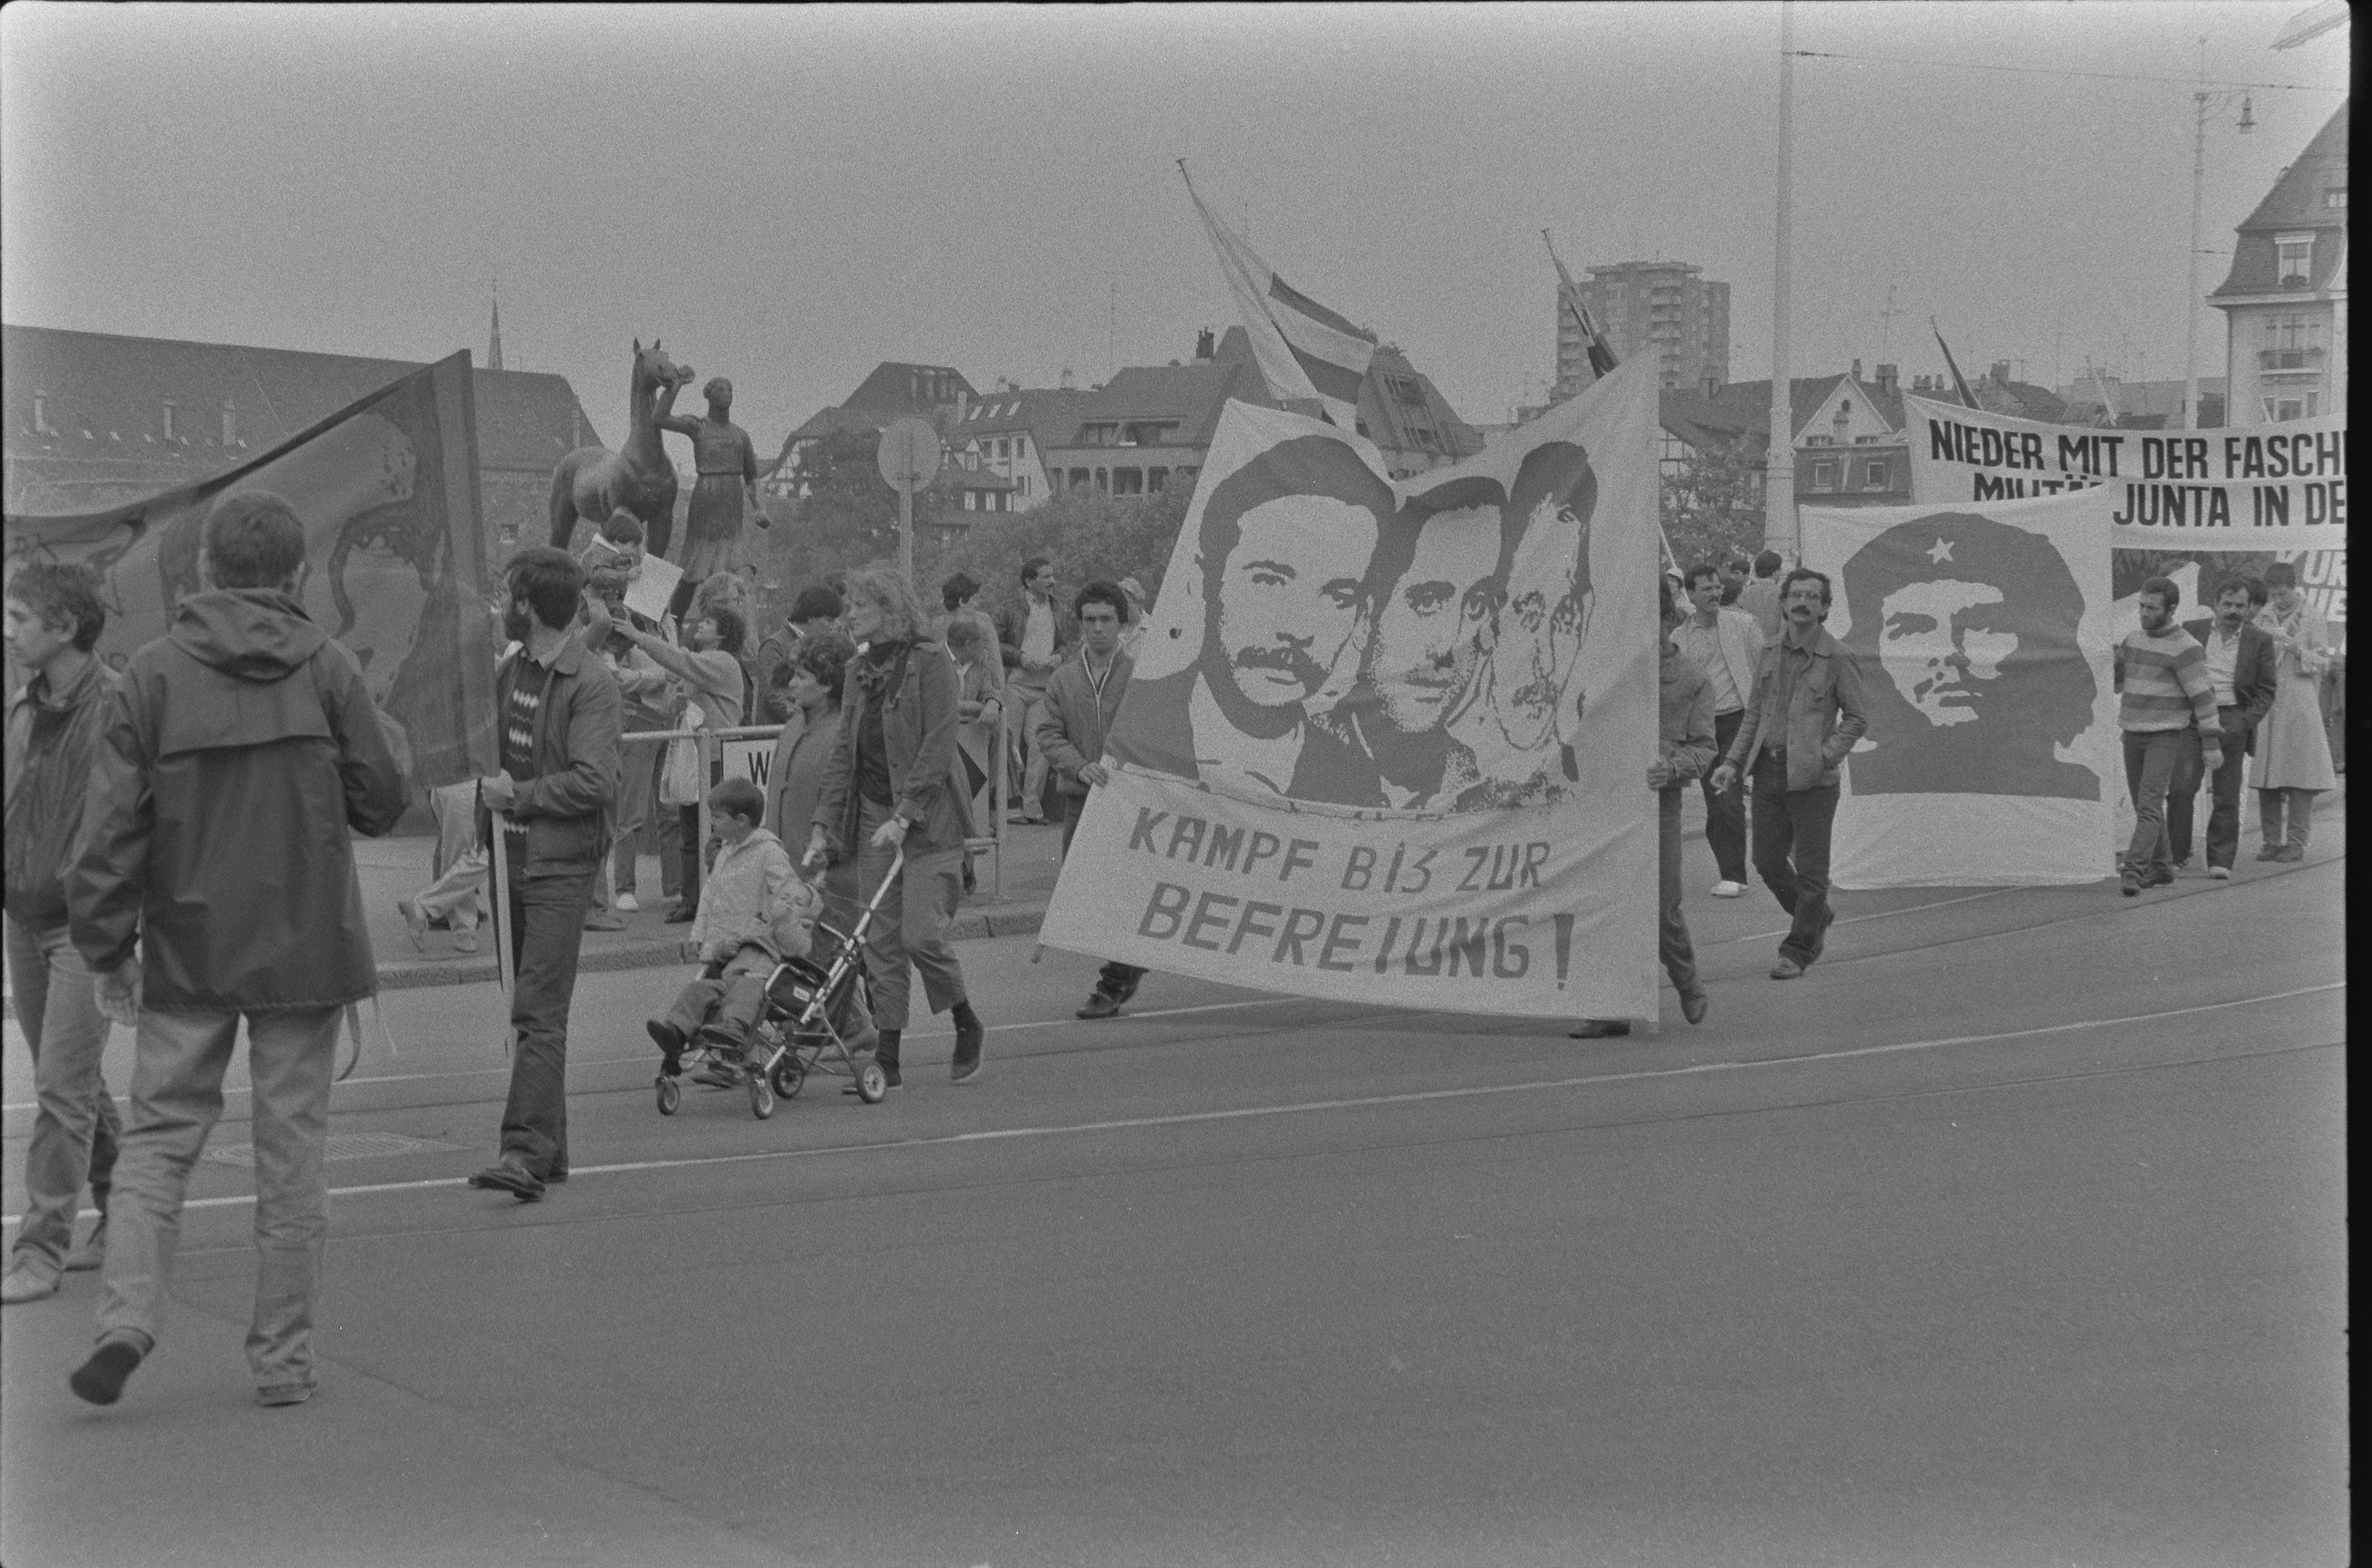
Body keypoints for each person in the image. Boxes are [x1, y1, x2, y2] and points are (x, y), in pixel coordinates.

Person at [62, 490, 407, 1406]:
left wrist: (107, 948)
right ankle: (283, 1361)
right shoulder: (328, 667)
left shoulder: (152, 674)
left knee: (158, 1144)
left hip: (187, 945)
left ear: (204, 569)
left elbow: (108, 834)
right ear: (297, 574)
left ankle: (127, 1319)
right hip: (308, 947)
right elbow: (382, 799)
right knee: (292, 1157)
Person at [1107, 437, 1393, 802]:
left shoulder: (1354, 781)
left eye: (1338, 596)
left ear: (1360, 617)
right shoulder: (1135, 727)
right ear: (1201, 583)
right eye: (1269, 581)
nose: (1298, 631)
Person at [467, 547, 623, 1202]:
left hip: (558, 863)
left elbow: (595, 781)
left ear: (529, 605)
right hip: (510, 858)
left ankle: (524, 1152)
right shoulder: (513, 669)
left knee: (538, 1010)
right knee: (528, 1011)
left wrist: (518, 798)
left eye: (507, 594)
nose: (502, 604)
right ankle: (550, 1153)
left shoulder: (590, 681)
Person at [810, 568, 986, 1086]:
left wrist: (906, 812)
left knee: (920, 936)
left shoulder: (931, 664)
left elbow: (937, 744)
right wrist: (823, 824)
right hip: (872, 817)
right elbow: (845, 750)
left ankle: (965, 1020)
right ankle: (888, 1057)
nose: (849, 616)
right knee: (879, 941)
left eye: (858, 608)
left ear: (889, 611)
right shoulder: (857, 670)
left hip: (930, 820)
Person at [3, 564, 124, 1305]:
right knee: (74, 1083)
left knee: (59, 1089)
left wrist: (122, 926)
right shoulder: (24, 703)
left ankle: (39, 1251)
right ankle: (123, 1210)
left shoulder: (113, 706)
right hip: (25, 915)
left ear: (66, 628)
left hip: (85, 926)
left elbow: (129, 819)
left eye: (19, 617)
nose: (8, 630)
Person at [1837, 511, 2099, 801]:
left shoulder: (2076, 791)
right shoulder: (1853, 785)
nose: (1948, 653)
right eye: (1914, 628)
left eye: (1980, 626)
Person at [1570, 573, 1716, 1037]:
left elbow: (1705, 748)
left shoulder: (1692, 679)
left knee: (1661, 904)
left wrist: (1672, 768)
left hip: (1659, 804)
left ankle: (1686, 979)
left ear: (1669, 619)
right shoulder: (1605, 670)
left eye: (1652, 619)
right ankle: (1610, 1007)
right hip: (1604, 801)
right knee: (1605, 902)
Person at [1708, 568, 1867, 979]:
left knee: (1813, 871)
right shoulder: (1770, 650)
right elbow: (1755, 714)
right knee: (1765, 860)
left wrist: (1824, 756)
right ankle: (1815, 918)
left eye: (1812, 597)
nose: (1802, 603)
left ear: (1825, 607)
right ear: (1782, 603)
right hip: (1767, 772)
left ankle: (1796, 950)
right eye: (1795, 595)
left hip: (1813, 779)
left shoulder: (1839, 657)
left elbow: (1855, 719)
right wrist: (1731, 763)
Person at [645, 777, 816, 1078]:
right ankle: (675, 1031)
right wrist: (700, 935)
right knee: (703, 989)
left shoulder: (768, 852)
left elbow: (790, 891)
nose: (711, 822)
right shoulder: (725, 852)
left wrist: (782, 916)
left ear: (741, 821)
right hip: (728, 951)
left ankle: (733, 1034)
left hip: (761, 950)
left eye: (717, 817)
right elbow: (709, 896)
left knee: (747, 990)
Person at [1036, 582, 1150, 1019]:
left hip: (1127, 804)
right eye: (1089, 620)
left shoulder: (1141, 674)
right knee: (1083, 891)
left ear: (1122, 624)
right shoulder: (1064, 679)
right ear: (1079, 624)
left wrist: (1128, 771)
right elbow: (1048, 733)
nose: (1098, 629)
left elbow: (1153, 733)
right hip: (1082, 800)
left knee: (1124, 890)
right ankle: (1130, 962)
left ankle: (1115, 980)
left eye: (1106, 620)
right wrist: (1078, 765)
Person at [611, 603, 746, 923]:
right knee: (689, 832)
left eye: (709, 621)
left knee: (714, 832)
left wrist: (637, 636)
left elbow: (679, 660)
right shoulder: (698, 667)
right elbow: (674, 695)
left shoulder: (722, 662)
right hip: (693, 758)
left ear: (723, 634)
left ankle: (715, 900)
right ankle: (691, 899)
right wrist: (677, 697)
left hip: (715, 759)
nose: (700, 624)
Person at [2109, 577, 2221, 896]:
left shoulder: (2186, 647)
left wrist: (2211, 743)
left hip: (2165, 735)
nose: (2144, 613)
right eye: (2142, 606)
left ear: (2171, 609)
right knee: (2146, 805)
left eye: (2152, 608)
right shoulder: (2132, 640)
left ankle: (2133, 870)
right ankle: (2161, 866)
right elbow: (2119, 682)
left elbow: (2203, 696)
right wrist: (2111, 660)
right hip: (2131, 731)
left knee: (2148, 805)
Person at [2169, 576, 2277, 879]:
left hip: (2232, 717)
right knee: (2181, 788)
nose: (2232, 610)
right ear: (2215, 604)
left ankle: (2221, 859)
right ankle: (2174, 857)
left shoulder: (2260, 641)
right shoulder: (2192, 630)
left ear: (2249, 608)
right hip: (2192, 718)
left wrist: (2244, 723)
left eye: (2239, 605)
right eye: (2227, 604)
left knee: (2226, 794)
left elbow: (2267, 691)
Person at [1671, 562, 1765, 896]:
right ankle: (1727, 859)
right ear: (1691, 594)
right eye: (1706, 589)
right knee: (1716, 802)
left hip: (1739, 720)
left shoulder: (1743, 625)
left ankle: (1734, 874)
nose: (1714, 593)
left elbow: (1764, 669)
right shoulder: (1678, 639)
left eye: (1717, 587)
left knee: (1728, 796)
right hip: (1703, 727)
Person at [2248, 561, 2336, 861]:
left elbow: (2324, 662)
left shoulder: (2312, 616)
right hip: (2269, 700)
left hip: (2300, 699)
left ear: (2294, 587)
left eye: (2283, 593)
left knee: (2301, 774)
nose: (2278, 600)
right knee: (2267, 772)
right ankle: (2271, 840)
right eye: (2273, 594)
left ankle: (2297, 840)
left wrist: (2297, 650)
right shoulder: (2263, 616)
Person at [657, 376, 764, 621]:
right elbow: (660, 418)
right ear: (708, 394)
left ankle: (741, 631)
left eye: (730, 389)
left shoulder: (740, 435)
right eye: (721, 388)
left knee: (739, 566)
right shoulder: (698, 427)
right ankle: (675, 621)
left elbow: (752, 477)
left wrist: (759, 508)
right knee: (695, 564)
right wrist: (674, 388)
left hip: (732, 506)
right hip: (706, 501)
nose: (727, 393)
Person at [767, 633, 858, 908]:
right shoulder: (793, 727)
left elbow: (846, 805)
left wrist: (829, 851)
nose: (792, 684)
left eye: (802, 677)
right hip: (783, 877)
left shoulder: (844, 733)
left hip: (827, 882)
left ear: (828, 684)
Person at [998, 556, 1071, 824]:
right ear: (1029, 581)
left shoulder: (1059, 610)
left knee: (1040, 745)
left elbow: (1066, 644)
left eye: (1053, 575)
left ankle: (1032, 804)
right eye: (1046, 576)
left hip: (1043, 688)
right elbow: (996, 642)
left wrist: (1059, 658)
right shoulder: (1010, 608)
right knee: (1009, 744)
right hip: (1015, 685)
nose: (1052, 581)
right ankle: (1007, 806)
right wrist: (1019, 657)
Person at [398, 780, 490, 952]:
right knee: (483, 856)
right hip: (465, 784)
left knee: (458, 859)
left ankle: (464, 934)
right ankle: (423, 905)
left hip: (447, 783)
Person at [945, 608, 1006, 833]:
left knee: (1000, 731)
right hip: (947, 732)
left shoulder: (981, 659)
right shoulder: (936, 661)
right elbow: (942, 705)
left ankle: (988, 802)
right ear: (969, 644)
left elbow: (993, 690)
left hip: (974, 731)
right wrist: (977, 707)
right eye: (983, 641)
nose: (986, 646)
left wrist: (992, 703)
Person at [752, 583, 846, 727]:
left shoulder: (824, 645)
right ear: (810, 617)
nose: (836, 625)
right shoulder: (773, 646)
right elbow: (773, 695)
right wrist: (809, 719)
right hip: (776, 736)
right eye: (829, 619)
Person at [1736, 549, 1786, 641]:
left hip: (1750, 646)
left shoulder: (1744, 594)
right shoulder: (1783, 595)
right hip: (1776, 648)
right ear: (1775, 571)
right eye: (1780, 569)